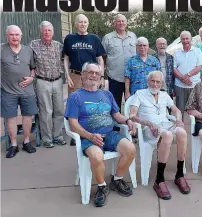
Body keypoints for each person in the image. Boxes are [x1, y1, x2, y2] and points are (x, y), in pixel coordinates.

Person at [64, 62, 137, 207]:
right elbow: (73, 123)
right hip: (88, 137)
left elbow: (116, 115)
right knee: (97, 156)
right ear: (83, 74)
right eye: (90, 72)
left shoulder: (107, 94)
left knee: (131, 149)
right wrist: (90, 136)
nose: (94, 75)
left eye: (97, 73)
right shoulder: (75, 96)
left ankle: (117, 179)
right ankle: (102, 186)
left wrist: (128, 120)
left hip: (109, 134)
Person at [128, 71, 191, 200]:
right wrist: (148, 123)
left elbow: (176, 110)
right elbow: (132, 115)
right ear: (148, 81)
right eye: (153, 81)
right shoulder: (139, 94)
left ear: (161, 83)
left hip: (165, 124)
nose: (155, 84)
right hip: (149, 129)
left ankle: (179, 175)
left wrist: (178, 119)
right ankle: (159, 179)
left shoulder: (164, 95)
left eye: (158, 82)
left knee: (182, 132)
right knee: (167, 135)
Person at [63, 14, 106, 146]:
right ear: (76, 24)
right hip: (75, 75)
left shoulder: (94, 38)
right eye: (80, 22)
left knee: (92, 104)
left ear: (88, 23)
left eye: (85, 22)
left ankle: (93, 132)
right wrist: (67, 75)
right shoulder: (69, 38)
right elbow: (65, 58)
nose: (83, 24)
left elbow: (100, 59)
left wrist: (102, 76)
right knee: (75, 105)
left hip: (92, 76)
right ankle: (75, 134)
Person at [1, 25, 38, 158]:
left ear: (21, 36)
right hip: (7, 90)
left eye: (17, 35)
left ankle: (27, 142)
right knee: (11, 117)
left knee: (27, 116)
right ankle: (14, 145)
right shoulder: (1, 49)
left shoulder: (28, 50)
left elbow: (33, 68)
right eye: (12, 35)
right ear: (7, 36)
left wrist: (31, 78)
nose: (15, 37)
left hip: (27, 90)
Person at [30, 21, 66, 148]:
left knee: (59, 110)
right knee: (46, 111)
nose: (47, 32)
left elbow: (66, 59)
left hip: (57, 81)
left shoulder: (59, 46)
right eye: (44, 30)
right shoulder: (33, 45)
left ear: (53, 32)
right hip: (42, 81)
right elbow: (28, 62)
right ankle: (47, 138)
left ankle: (58, 136)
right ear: (41, 31)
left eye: (49, 30)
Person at [102, 14, 137, 109]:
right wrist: (102, 75)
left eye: (123, 21)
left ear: (126, 23)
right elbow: (102, 57)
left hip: (131, 78)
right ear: (114, 23)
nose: (121, 23)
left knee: (132, 105)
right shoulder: (107, 38)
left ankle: (132, 123)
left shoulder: (133, 36)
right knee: (115, 105)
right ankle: (116, 124)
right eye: (118, 21)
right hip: (114, 77)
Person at [173, 31, 202, 114]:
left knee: (195, 110)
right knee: (180, 110)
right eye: (183, 39)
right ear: (180, 40)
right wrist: (182, 79)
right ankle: (181, 126)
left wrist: (187, 75)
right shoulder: (176, 52)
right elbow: (174, 68)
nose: (185, 40)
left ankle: (197, 127)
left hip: (194, 85)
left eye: (187, 38)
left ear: (191, 39)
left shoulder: (197, 51)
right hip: (179, 86)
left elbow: (200, 66)